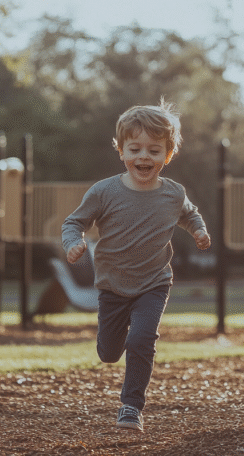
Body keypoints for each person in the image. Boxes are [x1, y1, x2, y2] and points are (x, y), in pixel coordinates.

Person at [62, 100, 211, 432]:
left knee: (143, 339)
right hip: (113, 286)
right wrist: (73, 243)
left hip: (154, 282)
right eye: (136, 148)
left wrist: (198, 230)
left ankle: (131, 407)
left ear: (168, 155)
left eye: (154, 150)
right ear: (121, 151)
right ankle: (112, 341)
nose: (145, 156)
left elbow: (189, 213)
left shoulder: (174, 193)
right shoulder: (104, 192)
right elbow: (74, 222)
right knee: (109, 353)